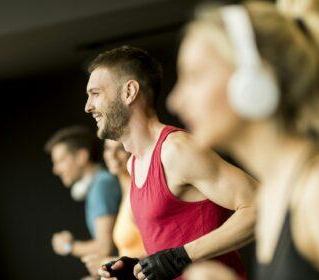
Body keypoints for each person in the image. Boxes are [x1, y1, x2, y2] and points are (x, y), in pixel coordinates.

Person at [166, 0, 319, 279]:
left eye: (195, 76)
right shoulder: (273, 194)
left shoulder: (318, 189)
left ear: (252, 79)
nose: (175, 101)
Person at [84, 46, 257, 280]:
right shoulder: (133, 163)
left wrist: (181, 256)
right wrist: (139, 267)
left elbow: (258, 206)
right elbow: (170, 245)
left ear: (129, 92)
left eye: (95, 94)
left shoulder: (175, 150)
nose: (88, 106)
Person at [45, 126, 121, 260]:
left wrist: (69, 247)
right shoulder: (98, 184)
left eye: (61, 161)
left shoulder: (101, 185)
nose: (56, 170)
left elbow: (105, 247)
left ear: (81, 156)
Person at [82, 139, 146, 276]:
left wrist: (108, 261)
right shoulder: (125, 194)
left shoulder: (138, 194)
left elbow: (161, 249)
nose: (112, 155)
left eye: (120, 149)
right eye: (108, 148)